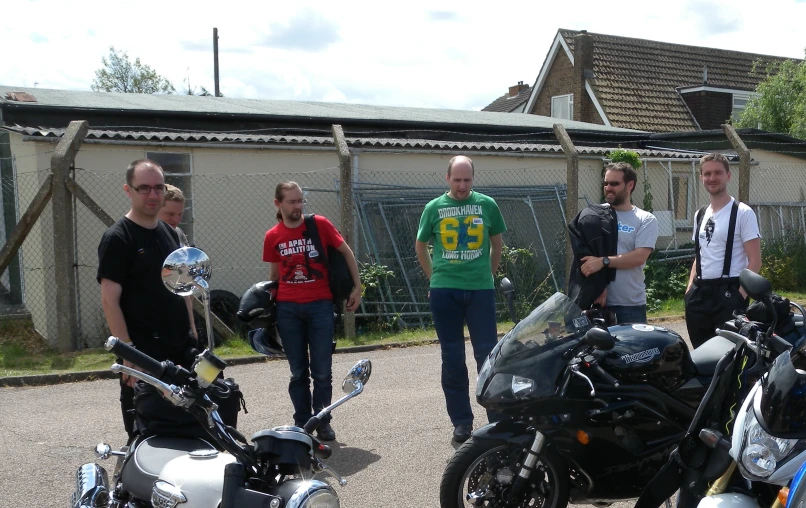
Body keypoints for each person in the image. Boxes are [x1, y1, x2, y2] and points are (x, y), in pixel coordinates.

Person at [97, 159, 198, 440]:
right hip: (143, 354)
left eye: (158, 188)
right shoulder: (118, 238)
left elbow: (183, 287)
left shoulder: (172, 234)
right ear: (128, 190)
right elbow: (109, 300)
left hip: (180, 346)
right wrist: (129, 354)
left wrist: (192, 331)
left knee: (191, 427)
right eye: (144, 188)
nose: (153, 195)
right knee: (145, 436)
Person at [415, 155, 507, 443]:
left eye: (467, 179)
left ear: (473, 179)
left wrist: (487, 277)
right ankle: (461, 422)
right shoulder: (434, 208)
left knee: (487, 356)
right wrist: (434, 278)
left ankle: (496, 418)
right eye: (457, 179)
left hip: (480, 291)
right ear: (447, 179)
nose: (462, 185)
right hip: (445, 291)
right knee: (452, 357)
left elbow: (496, 244)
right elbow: (421, 245)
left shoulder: (487, 205)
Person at [262, 181, 362, 442]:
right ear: (278, 204)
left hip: (320, 305)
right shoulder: (273, 236)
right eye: (292, 201)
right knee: (298, 372)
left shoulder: (319, 224)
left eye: (300, 201)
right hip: (287, 309)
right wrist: (268, 307)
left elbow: (346, 252)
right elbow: (274, 275)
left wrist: (357, 287)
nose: (298, 206)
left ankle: (323, 420)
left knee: (322, 370)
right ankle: (301, 423)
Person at [685, 153, 761, 349]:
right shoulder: (700, 214)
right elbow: (699, 255)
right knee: (701, 356)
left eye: (718, 172)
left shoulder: (742, 212)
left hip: (729, 293)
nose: (712, 178)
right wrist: (689, 290)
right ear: (701, 177)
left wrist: (740, 295)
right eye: (707, 173)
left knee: (728, 358)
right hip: (699, 295)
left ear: (728, 175)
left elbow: (755, 261)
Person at [580, 162, 659, 324]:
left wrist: (604, 262)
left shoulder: (645, 219)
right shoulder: (594, 215)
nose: (608, 187)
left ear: (630, 185)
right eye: (606, 183)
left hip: (629, 305)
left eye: (614, 183)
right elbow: (584, 257)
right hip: (597, 302)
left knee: (633, 350)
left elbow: (639, 257)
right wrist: (598, 287)